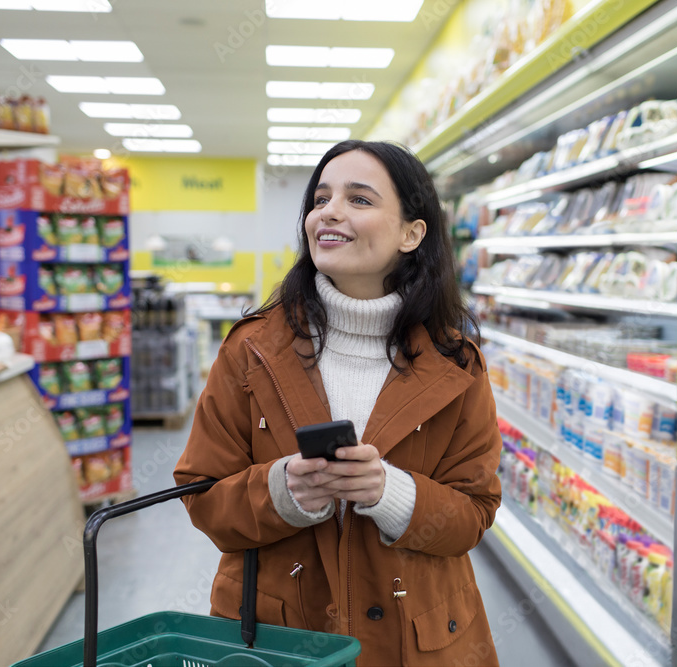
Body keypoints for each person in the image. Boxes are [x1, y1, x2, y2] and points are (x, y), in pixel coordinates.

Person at [174, 139, 502, 666]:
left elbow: (473, 514)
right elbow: (203, 495)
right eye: (321, 198)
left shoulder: (457, 363)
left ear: (411, 233)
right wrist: (283, 490)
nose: (329, 212)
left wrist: (389, 492)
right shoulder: (251, 350)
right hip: (279, 637)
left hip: (416, 640)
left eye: (360, 200)